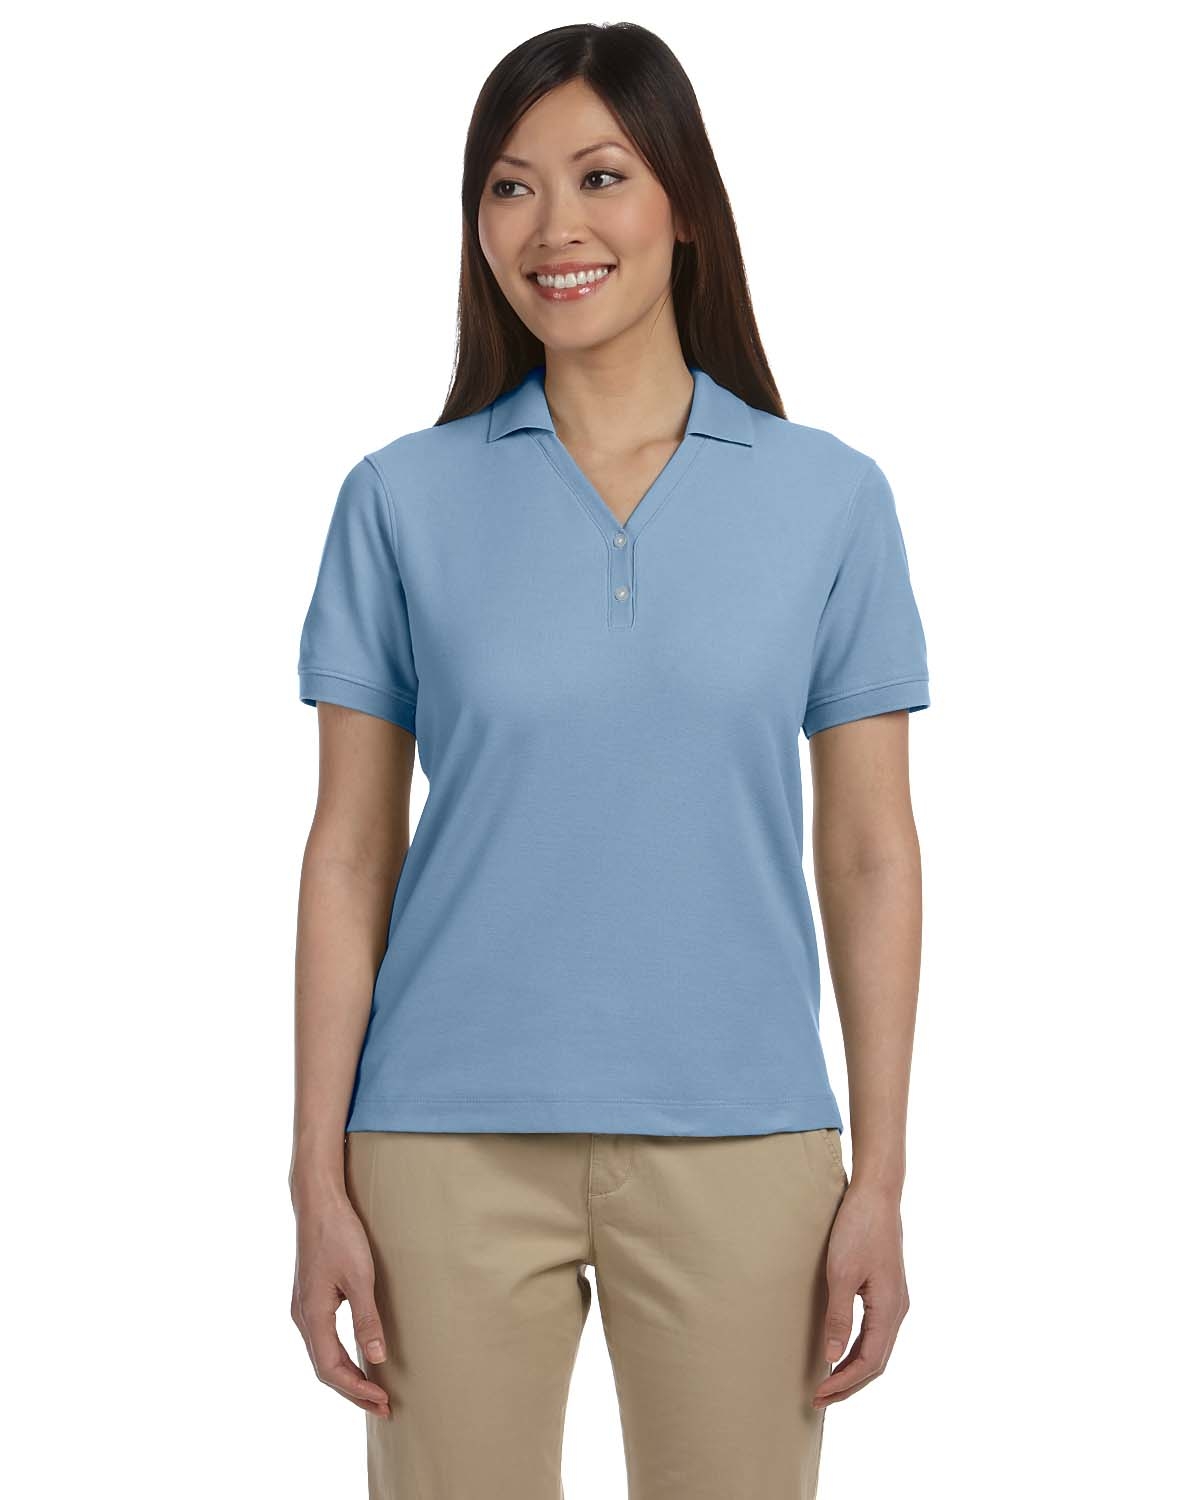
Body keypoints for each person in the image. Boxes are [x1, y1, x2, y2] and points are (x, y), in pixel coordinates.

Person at [289, 22, 929, 1500]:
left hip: (745, 1138)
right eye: (509, 187)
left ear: (683, 203)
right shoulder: (399, 500)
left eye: (600, 176)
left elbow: (870, 852)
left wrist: (882, 1176)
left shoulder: (830, 499)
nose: (553, 227)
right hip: (440, 1143)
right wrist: (315, 1178)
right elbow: (350, 854)